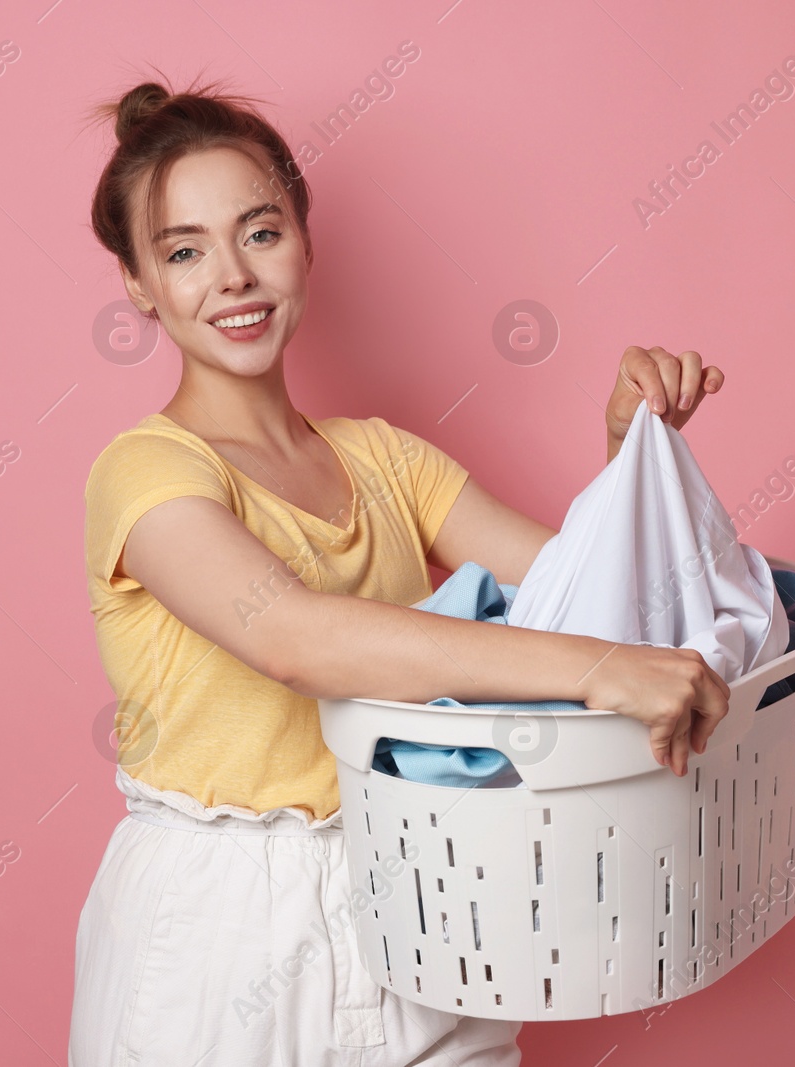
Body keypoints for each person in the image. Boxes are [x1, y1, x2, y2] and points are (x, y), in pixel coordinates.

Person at [69, 71, 730, 1066]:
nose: (234, 276)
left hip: (427, 886)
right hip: (218, 926)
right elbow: (292, 635)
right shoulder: (146, 471)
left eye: (260, 231)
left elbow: (579, 596)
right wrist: (593, 669)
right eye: (183, 251)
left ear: (303, 237)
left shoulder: (386, 458)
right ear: (138, 284)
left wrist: (624, 453)